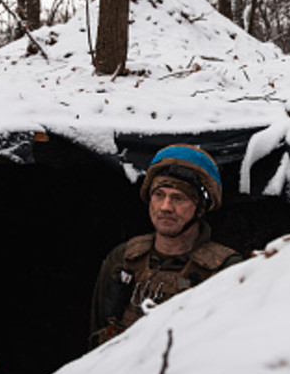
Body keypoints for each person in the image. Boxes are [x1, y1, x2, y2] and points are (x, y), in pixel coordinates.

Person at [90, 144, 242, 346]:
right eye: (159, 194)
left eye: (178, 198)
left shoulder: (226, 269)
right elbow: (98, 334)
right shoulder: (123, 258)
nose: (165, 207)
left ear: (200, 208)